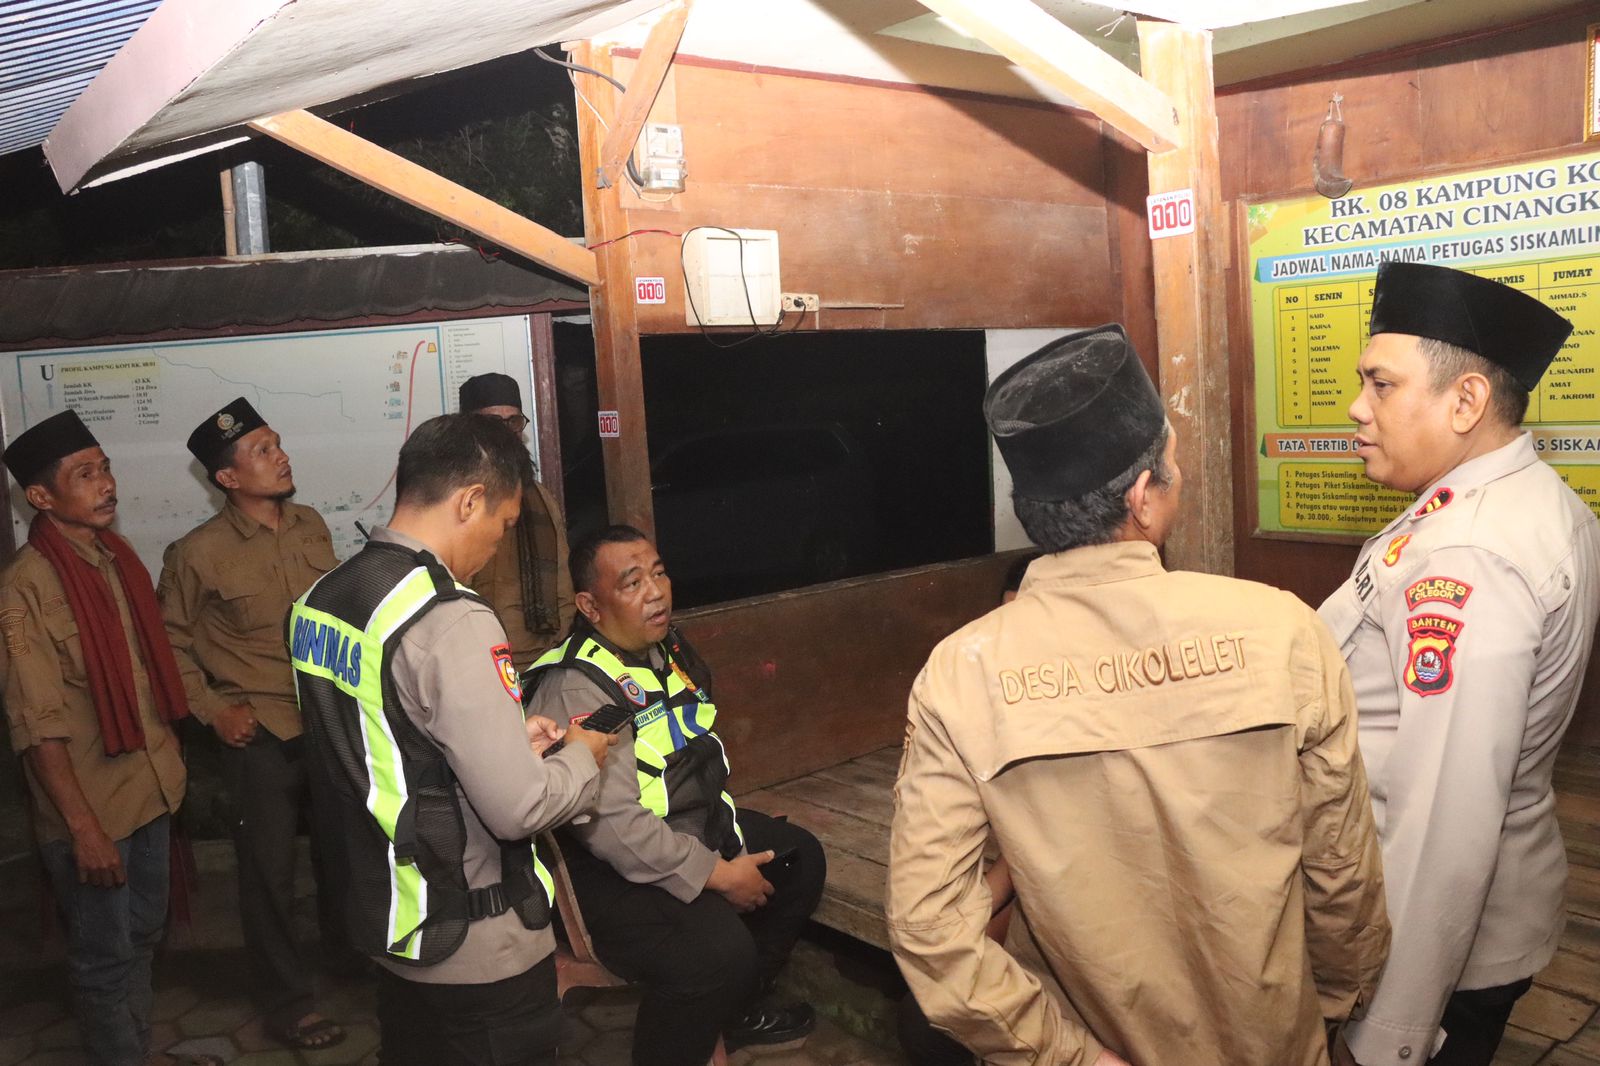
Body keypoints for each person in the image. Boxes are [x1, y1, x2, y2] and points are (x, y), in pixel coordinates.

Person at [887, 324, 1391, 1066]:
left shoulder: (962, 672)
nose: (1177, 476)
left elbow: (930, 929)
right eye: (1173, 463)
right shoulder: (1282, 629)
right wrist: (1332, 1004)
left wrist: (1067, 1055)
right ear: (1141, 498)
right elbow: (1342, 877)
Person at [1319, 262, 1600, 1066]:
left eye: (1381, 384)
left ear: (1466, 401)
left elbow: (1447, 814)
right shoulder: (1499, 502)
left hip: (1433, 946)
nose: (1357, 407)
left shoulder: (1472, 554)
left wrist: (1389, 1034)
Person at [288, 413, 614, 1066]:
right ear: (469, 500)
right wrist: (584, 755)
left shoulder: (322, 600)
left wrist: (502, 738)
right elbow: (518, 807)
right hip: (475, 943)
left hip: (394, 921)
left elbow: (385, 740)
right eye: (504, 523)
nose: (497, 544)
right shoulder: (450, 618)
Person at [524, 525, 825, 1066]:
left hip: (684, 827)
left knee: (799, 858)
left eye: (659, 573)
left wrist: (725, 849)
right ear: (590, 606)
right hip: (603, 871)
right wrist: (719, 874)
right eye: (632, 582)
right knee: (716, 956)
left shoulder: (668, 651)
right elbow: (613, 829)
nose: (656, 592)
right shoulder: (581, 685)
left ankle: (728, 1014)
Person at [0, 410, 213, 1066]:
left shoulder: (114, 560)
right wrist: (82, 829)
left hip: (147, 788)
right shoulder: (25, 588)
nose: (106, 484)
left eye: (106, 468)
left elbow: (146, 675)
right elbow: (37, 726)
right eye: (85, 474)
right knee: (102, 958)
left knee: (142, 937)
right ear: (41, 496)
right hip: (90, 808)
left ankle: (136, 1052)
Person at [157, 398, 345, 1050]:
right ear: (228, 477)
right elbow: (168, 646)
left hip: (327, 722)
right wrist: (213, 710)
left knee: (345, 859)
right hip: (259, 733)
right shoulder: (198, 554)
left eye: (277, 443)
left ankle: (350, 965)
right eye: (262, 450)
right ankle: (288, 1003)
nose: (281, 456)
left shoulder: (311, 525)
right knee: (269, 877)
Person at [459, 372, 575, 670]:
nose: (506, 432)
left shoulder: (539, 496)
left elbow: (564, 583)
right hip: (481, 660)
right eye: (493, 422)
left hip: (546, 659)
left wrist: (560, 649)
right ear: (468, 427)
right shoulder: (458, 499)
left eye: (513, 422)